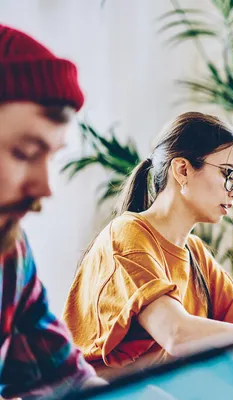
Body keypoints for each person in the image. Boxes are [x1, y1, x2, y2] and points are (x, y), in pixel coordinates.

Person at [62, 111, 233, 376]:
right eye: (229, 174)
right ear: (182, 169)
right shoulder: (127, 234)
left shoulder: (195, 254)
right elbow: (177, 335)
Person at [0, 24, 105, 399]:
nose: (45, 187)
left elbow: (61, 375)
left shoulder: (9, 251)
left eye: (51, 157)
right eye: (24, 153)